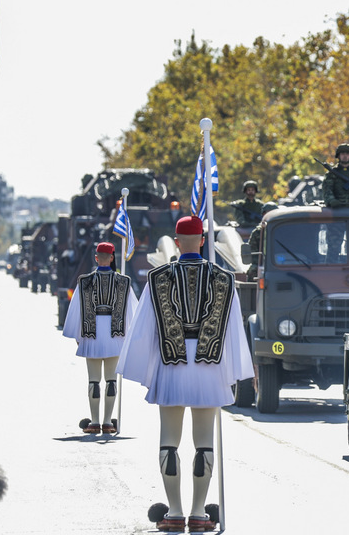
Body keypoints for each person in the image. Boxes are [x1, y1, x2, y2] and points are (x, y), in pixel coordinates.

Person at [116, 216, 254, 533]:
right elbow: (233, 330)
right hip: (210, 368)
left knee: (169, 442)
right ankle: (199, 514)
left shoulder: (158, 278)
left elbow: (144, 331)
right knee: (204, 442)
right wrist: (235, 372)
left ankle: (175, 512)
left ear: (177, 241)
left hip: (171, 365)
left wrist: (148, 367)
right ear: (202, 241)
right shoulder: (224, 279)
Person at [62, 242, 138, 434]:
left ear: (96, 257)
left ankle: (95, 422)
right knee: (111, 381)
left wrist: (78, 336)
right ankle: (108, 422)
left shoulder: (84, 282)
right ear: (112, 257)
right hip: (115, 336)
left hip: (92, 335)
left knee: (94, 380)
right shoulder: (124, 282)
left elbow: (75, 312)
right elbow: (133, 313)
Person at [245, 201, 280, 278]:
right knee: (253, 271)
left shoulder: (281, 230)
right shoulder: (257, 232)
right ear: (263, 214)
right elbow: (252, 251)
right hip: (261, 263)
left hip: (279, 262)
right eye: (268, 213)